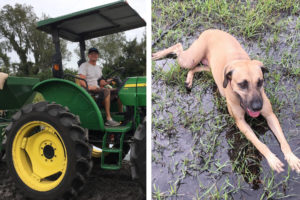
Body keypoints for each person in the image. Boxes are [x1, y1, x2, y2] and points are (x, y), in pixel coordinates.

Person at [78, 47, 120, 127]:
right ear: (89, 55)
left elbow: (101, 82)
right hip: (88, 90)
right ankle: (108, 119)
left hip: (97, 89)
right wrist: (89, 87)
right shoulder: (84, 65)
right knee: (106, 91)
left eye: (96, 54)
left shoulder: (98, 68)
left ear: (98, 56)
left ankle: (121, 114)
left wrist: (109, 81)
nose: (94, 55)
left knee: (118, 90)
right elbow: (81, 80)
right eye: (92, 54)